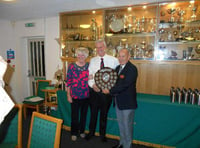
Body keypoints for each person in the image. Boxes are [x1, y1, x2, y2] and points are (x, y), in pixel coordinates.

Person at [102, 48, 138, 148]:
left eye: (123, 56)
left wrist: (109, 90)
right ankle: (122, 143)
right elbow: (112, 82)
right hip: (118, 102)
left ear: (128, 57)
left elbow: (124, 85)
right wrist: (105, 85)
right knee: (121, 125)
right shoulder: (117, 68)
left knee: (127, 126)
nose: (120, 58)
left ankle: (127, 145)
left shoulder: (132, 69)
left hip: (127, 103)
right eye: (119, 56)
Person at [85, 39, 119, 142]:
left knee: (104, 115)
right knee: (93, 114)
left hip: (106, 93)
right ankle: (91, 132)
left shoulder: (114, 60)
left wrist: (109, 88)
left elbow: (116, 77)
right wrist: (92, 85)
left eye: (101, 47)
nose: (99, 49)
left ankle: (102, 135)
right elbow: (89, 76)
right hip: (94, 92)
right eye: (97, 47)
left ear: (105, 47)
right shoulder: (93, 60)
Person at [66, 47, 90, 141]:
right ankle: (74, 132)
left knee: (84, 115)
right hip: (74, 95)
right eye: (79, 54)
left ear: (86, 56)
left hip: (86, 95)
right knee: (74, 116)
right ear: (76, 55)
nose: (81, 56)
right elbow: (69, 82)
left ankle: (82, 131)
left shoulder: (89, 66)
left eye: (83, 55)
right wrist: (68, 95)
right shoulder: (71, 66)